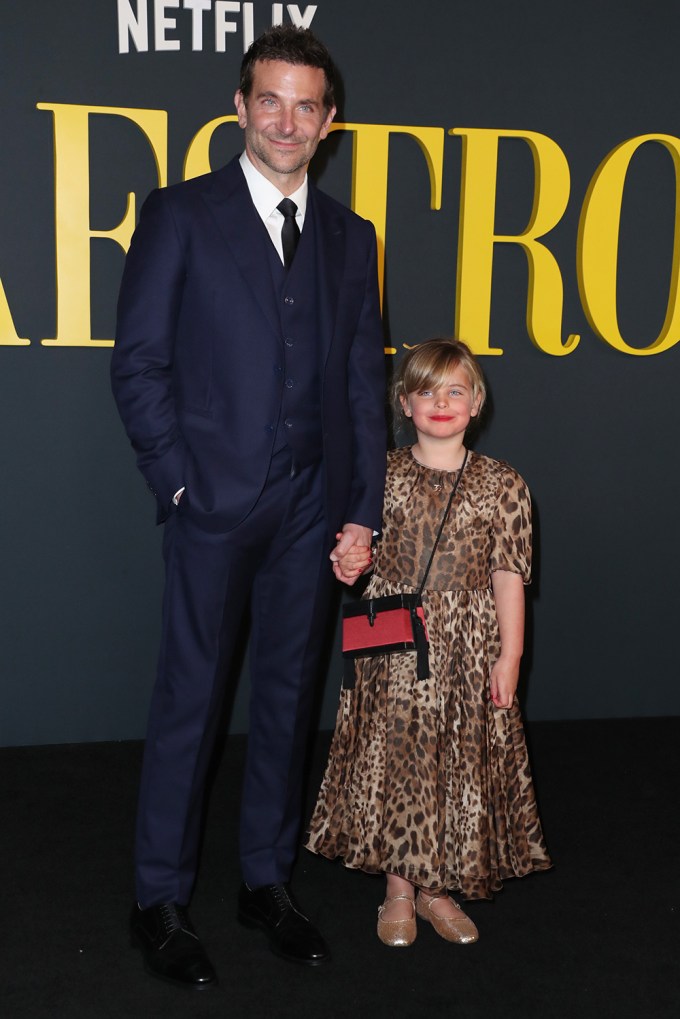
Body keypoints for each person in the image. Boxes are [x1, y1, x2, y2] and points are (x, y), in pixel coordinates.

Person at [111, 26, 386, 988]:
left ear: (329, 123)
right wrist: (182, 484)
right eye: (269, 99)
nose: (287, 119)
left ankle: (266, 880)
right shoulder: (182, 215)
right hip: (215, 503)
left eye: (306, 104)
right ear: (239, 107)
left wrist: (362, 508)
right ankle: (159, 897)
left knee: (286, 698)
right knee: (190, 699)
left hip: (314, 509)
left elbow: (359, 384)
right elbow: (139, 365)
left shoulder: (354, 240)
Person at [306, 338, 551, 947]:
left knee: (456, 760)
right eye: (426, 391)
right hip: (394, 647)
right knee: (400, 759)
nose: (441, 403)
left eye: (455, 391)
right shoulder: (377, 474)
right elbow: (356, 553)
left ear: (475, 404)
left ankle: (438, 887)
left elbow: (508, 576)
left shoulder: (504, 485)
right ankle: (398, 888)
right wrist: (349, 562)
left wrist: (511, 654)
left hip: (470, 647)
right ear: (404, 403)